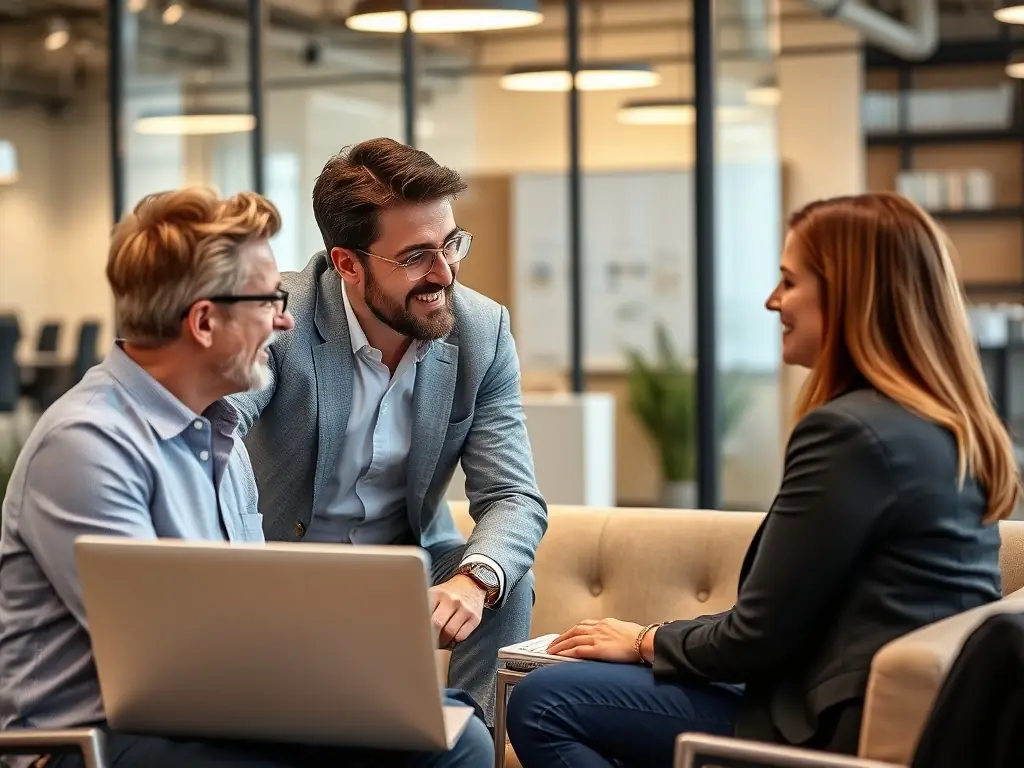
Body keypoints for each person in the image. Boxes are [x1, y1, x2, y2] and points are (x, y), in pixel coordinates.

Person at [504, 192, 1023, 767]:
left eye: (789, 281)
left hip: (820, 724)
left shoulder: (852, 434)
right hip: (859, 700)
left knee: (541, 702)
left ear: (851, 293)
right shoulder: (941, 426)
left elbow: (757, 639)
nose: (773, 300)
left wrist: (644, 640)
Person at [0, 188, 493, 768]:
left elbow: (239, 625)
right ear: (205, 321)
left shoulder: (221, 434)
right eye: (267, 300)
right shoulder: (88, 444)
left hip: (211, 712)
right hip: (94, 742)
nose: (283, 320)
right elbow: (167, 663)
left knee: (454, 736)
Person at [229, 138, 547, 724]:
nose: (444, 274)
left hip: (405, 573)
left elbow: (513, 496)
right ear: (347, 263)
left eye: (451, 244)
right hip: (284, 573)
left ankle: (463, 742)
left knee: (507, 582)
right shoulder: (278, 319)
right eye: (416, 257)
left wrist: (476, 579)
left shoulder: (482, 331)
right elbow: (218, 435)